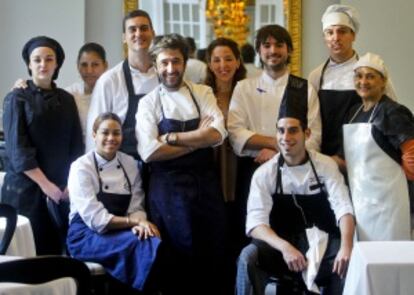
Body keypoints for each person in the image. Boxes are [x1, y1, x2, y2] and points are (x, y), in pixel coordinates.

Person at [136, 34, 228, 294]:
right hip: (168, 193)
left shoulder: (202, 92)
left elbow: (218, 135)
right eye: (164, 63)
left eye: (176, 61)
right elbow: (150, 151)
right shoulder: (148, 103)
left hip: (207, 189)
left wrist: (172, 138)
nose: (170, 69)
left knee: (213, 255)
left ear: (185, 62)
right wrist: (197, 140)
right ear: (155, 65)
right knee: (177, 262)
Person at [236, 95, 355, 295]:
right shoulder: (264, 173)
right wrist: (285, 247)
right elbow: (256, 224)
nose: (286, 138)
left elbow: (344, 208)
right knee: (248, 256)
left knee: (347, 262)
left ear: (306, 133)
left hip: (323, 241)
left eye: (293, 131)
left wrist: (346, 246)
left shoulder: (325, 165)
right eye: (281, 131)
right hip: (281, 243)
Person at [227, 24, 322, 252]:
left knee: (293, 237)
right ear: (259, 51)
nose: (273, 51)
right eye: (266, 45)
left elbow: (314, 136)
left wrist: (279, 153)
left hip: (294, 173)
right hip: (252, 170)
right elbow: (235, 131)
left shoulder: (303, 87)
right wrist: (276, 144)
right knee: (254, 239)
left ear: (289, 50)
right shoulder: (244, 87)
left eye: (279, 45)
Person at [2, 36, 83, 255]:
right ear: (29, 64)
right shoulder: (16, 98)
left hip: (61, 190)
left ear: (57, 64)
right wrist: (46, 185)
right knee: (27, 257)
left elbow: (76, 146)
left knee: (55, 254)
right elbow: (18, 150)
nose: (43, 64)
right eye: (37, 59)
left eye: (49, 59)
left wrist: (68, 183)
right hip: (26, 190)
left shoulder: (67, 99)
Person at [66, 112, 161, 292]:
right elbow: (96, 220)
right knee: (140, 245)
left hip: (121, 230)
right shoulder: (81, 167)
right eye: (105, 132)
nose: (111, 138)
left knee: (148, 238)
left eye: (116, 133)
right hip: (85, 235)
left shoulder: (130, 163)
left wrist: (139, 224)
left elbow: (136, 203)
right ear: (94, 135)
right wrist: (135, 222)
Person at [340, 53, 414, 241]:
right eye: (359, 76)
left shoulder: (392, 111)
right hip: (361, 200)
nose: (363, 81)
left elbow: (411, 152)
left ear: (383, 82)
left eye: (370, 76)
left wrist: (404, 186)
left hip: (390, 202)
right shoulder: (353, 112)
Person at [308, 4, 397, 157]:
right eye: (330, 33)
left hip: (366, 155)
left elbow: (391, 111)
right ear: (325, 38)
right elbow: (312, 123)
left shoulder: (372, 71)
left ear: (353, 35)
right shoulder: (316, 76)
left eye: (342, 32)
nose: (335, 38)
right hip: (327, 157)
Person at [85, 9, 158, 160]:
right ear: (124, 37)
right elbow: (95, 133)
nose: (138, 34)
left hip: (161, 164)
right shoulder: (109, 81)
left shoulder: (165, 76)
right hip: (124, 167)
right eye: (132, 29)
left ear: (153, 33)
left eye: (144, 28)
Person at [205, 37, 247, 202]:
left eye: (229, 59)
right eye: (216, 60)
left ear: (237, 62)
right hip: (211, 162)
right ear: (209, 64)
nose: (223, 65)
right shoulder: (203, 94)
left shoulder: (247, 92)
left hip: (242, 162)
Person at [65, 42, 108, 141]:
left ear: (105, 66)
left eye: (95, 65)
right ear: (77, 66)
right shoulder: (69, 94)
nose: (89, 71)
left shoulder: (113, 93)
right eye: (84, 65)